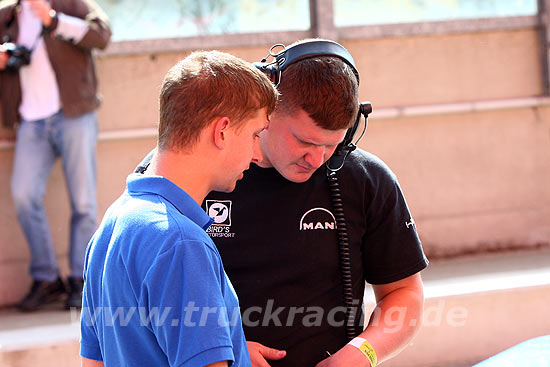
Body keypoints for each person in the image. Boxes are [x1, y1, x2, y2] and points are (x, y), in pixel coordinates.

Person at [136, 39, 428, 367]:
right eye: (303, 140)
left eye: (333, 143)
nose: (317, 158)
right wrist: (217, 349)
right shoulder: (194, 168)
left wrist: (364, 351)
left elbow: (404, 294)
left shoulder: (366, 179)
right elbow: (134, 298)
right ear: (267, 112)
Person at [80, 51, 279, 367]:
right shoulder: (181, 243)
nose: (257, 153)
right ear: (222, 131)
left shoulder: (115, 219)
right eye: (255, 135)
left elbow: (94, 360)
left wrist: (235, 347)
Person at [0, 0, 111, 311]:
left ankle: (80, 279)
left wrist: (53, 19)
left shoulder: (71, 4)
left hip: (74, 115)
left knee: (84, 202)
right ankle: (47, 278)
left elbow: (101, 35)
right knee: (23, 195)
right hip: (30, 121)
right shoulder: (7, 16)